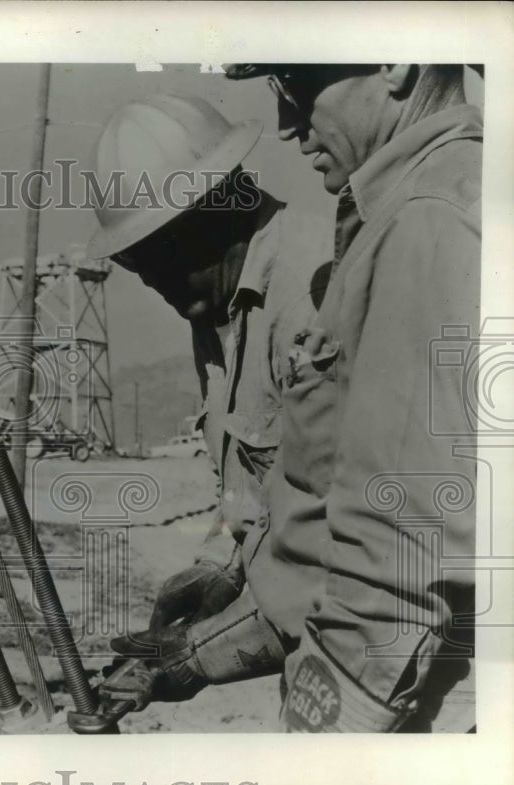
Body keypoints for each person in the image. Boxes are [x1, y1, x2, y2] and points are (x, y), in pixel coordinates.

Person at [190, 64, 480, 732]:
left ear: (396, 63)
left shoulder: (427, 219)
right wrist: (200, 652)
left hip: (416, 713)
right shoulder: (422, 204)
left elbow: (398, 562)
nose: (286, 123)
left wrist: (318, 756)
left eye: (294, 84)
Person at [84, 94, 331, 702]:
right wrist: (219, 564)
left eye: (156, 252)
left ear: (218, 212)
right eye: (133, 261)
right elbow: (256, 486)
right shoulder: (216, 301)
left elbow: (345, 563)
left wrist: (193, 657)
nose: (151, 279)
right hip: (320, 669)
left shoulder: (315, 300)